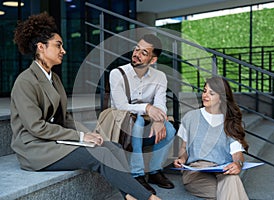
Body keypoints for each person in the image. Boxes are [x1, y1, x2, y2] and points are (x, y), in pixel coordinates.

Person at [10, 12, 161, 200]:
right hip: (35, 149)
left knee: (113, 147)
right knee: (98, 155)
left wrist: (90, 135)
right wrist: (81, 137)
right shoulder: (25, 82)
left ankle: (129, 196)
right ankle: (148, 198)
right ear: (41, 47)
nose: (63, 50)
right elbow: (36, 127)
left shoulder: (54, 78)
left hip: (54, 140)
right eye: (58, 45)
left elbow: (65, 117)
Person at [109, 34, 176, 194]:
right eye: (136, 49)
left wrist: (159, 121)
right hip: (121, 120)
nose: (136, 54)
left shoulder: (160, 76)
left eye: (143, 53)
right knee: (138, 123)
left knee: (170, 129)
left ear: (153, 60)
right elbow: (121, 106)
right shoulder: (117, 73)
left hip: (146, 118)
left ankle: (154, 171)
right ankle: (137, 174)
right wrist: (147, 108)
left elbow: (160, 103)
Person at [173, 76, 249, 200]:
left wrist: (238, 164)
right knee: (230, 188)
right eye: (204, 91)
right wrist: (181, 159)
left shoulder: (230, 122)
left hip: (222, 170)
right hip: (196, 171)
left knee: (231, 179)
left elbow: (237, 154)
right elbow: (184, 147)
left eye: (211, 93)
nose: (205, 95)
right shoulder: (190, 117)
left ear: (221, 98)